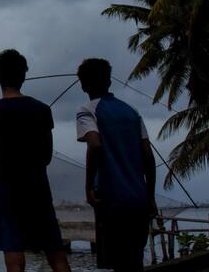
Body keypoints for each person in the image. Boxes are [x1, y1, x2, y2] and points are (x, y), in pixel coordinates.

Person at [0, 49, 71, 272]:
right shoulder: (43, 111)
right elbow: (46, 157)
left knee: (14, 260)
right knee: (56, 254)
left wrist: (1, 154)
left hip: (5, 192)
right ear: (24, 76)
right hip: (38, 190)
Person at [75, 58, 157, 271]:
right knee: (134, 261)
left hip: (111, 199)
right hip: (139, 199)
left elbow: (94, 144)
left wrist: (88, 187)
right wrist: (150, 196)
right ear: (109, 82)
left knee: (118, 262)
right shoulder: (131, 112)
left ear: (83, 85)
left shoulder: (87, 110)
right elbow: (148, 155)